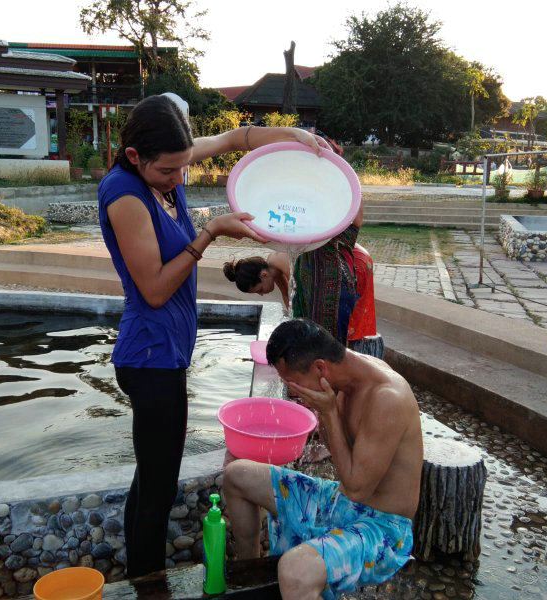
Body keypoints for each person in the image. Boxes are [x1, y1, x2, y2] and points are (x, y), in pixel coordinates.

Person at [97, 94, 331, 578]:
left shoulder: (162, 170)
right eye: (168, 171)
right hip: (149, 357)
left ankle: (140, 574)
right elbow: (155, 290)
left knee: (153, 477)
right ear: (135, 156)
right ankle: (146, 583)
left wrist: (295, 137)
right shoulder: (125, 195)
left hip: (165, 354)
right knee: (159, 486)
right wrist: (209, 234)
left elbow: (233, 139)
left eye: (182, 167)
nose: (177, 178)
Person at [223, 319, 423, 600]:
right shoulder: (340, 377)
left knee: (295, 572)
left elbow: (358, 489)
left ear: (319, 367)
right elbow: (341, 456)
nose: (292, 390)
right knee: (237, 474)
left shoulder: (386, 398)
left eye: (293, 382)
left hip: (382, 528)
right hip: (340, 501)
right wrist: (323, 414)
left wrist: (328, 413)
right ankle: (250, 579)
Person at [223, 199, 381, 353]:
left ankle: (356, 349)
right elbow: (288, 296)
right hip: (338, 257)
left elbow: (304, 294)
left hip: (350, 259)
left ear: (263, 275)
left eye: (259, 290)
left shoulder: (281, 261)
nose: (262, 294)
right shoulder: (273, 269)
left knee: (350, 319)